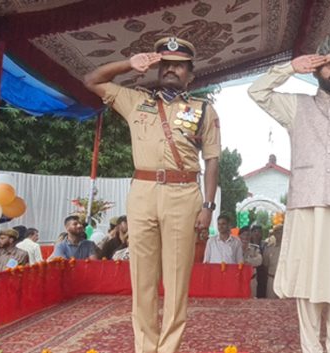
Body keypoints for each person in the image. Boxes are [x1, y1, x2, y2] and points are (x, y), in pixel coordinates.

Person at [83, 36, 220, 353]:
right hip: (142, 192)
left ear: (191, 74)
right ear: (159, 69)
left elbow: (212, 160)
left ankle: (168, 348)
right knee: (142, 279)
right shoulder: (135, 101)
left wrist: (208, 206)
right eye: (166, 64)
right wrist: (129, 64)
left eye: (179, 65)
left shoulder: (203, 110)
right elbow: (92, 80)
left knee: (175, 281)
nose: (172, 69)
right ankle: (145, 348)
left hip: (183, 193)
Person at [248, 35, 330, 353]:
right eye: (329, 65)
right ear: (316, 71)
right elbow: (257, 91)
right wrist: (289, 68)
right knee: (307, 285)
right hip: (306, 206)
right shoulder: (296, 106)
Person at [239, 226, 262, 297]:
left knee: (251, 302)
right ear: (239, 236)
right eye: (243, 234)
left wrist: (246, 261)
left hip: (251, 280)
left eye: (248, 235)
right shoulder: (234, 248)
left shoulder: (255, 248)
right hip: (238, 280)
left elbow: (259, 261)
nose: (245, 237)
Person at [263, 224, 283, 298]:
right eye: (278, 232)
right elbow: (265, 265)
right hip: (272, 279)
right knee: (270, 303)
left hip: (284, 281)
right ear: (274, 234)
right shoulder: (269, 248)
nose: (280, 235)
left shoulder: (288, 249)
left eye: (282, 232)